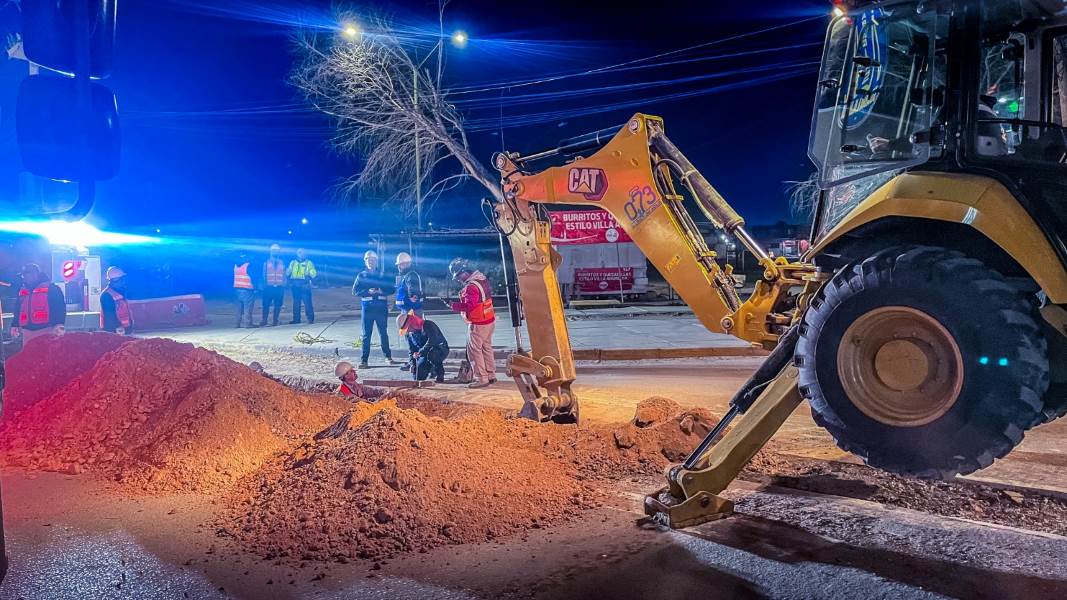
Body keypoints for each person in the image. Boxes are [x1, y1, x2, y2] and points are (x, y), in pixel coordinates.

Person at [448, 258, 497, 388]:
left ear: (464, 272)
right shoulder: (482, 279)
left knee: (474, 351)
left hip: (479, 323)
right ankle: (491, 375)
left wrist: (454, 306)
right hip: (489, 320)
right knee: (486, 348)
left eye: (458, 276)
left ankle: (481, 378)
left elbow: (470, 306)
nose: (458, 279)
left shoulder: (471, 287)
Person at [353, 250, 396, 368]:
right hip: (368, 308)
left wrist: (382, 291)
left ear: (376, 261)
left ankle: (388, 357)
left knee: (383, 333)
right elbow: (355, 291)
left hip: (381, 307)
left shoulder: (382, 275)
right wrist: (368, 292)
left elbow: (392, 289)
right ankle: (364, 360)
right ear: (365, 261)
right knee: (366, 334)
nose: (371, 262)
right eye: (368, 260)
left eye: (373, 260)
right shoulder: (361, 275)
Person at [11, 263, 66, 346]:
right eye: (23, 275)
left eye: (26, 273)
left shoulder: (52, 288)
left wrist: (59, 324)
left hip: (47, 330)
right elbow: (18, 309)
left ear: (35, 274)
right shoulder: (22, 291)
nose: (23, 277)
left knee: (47, 356)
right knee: (30, 357)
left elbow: (60, 308)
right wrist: (14, 325)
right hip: (27, 332)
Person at [397, 311, 448, 383]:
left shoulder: (429, 325)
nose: (408, 330)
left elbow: (432, 341)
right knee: (418, 376)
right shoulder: (409, 335)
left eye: (408, 328)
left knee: (433, 355)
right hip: (423, 354)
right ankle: (429, 368)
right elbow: (411, 350)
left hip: (439, 349)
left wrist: (420, 352)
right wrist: (413, 364)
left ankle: (439, 374)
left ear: (412, 323)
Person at [100, 266, 134, 335]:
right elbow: (109, 315)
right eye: (122, 280)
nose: (123, 282)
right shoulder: (106, 295)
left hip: (125, 329)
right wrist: (118, 327)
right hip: (115, 331)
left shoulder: (119, 292)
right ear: (115, 281)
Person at [287, 248, 317, 325]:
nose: (301, 254)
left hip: (304, 285)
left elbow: (314, 274)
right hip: (295, 285)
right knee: (296, 304)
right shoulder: (293, 263)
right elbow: (288, 273)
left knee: (307, 303)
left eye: (303, 252)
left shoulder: (309, 263)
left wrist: (311, 273)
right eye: (299, 252)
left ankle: (310, 319)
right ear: (297, 254)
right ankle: (296, 319)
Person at [261, 243, 287, 327]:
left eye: (276, 251)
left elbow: (284, 274)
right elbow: (263, 275)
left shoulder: (282, 263)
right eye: (273, 251)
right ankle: (264, 320)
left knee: (278, 305)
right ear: (270, 252)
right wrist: (263, 285)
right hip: (268, 287)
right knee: (266, 305)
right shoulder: (266, 263)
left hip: (279, 288)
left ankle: (275, 320)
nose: (275, 252)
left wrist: (284, 284)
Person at [394, 251, 424, 317]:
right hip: (407, 309)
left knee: (413, 327)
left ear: (407, 264)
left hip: (411, 310)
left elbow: (413, 286)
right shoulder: (406, 275)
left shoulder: (411, 275)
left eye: (400, 264)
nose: (398, 267)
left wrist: (413, 295)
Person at [233, 251, 258, 328]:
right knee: (248, 308)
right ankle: (248, 324)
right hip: (247, 291)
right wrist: (255, 288)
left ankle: (237, 324)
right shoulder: (248, 266)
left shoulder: (235, 266)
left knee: (238, 309)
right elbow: (253, 278)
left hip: (237, 290)